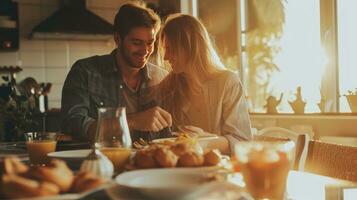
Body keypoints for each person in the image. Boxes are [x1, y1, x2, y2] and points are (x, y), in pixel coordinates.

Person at [61, 2, 172, 143]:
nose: (145, 51)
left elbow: (172, 133)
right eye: (137, 43)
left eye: (150, 43)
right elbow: (72, 124)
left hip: (151, 162)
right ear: (118, 39)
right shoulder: (85, 72)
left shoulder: (162, 78)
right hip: (103, 162)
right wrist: (131, 121)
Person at [158, 14, 252, 154]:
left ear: (190, 46)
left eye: (171, 49)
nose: (165, 57)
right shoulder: (168, 86)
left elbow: (242, 141)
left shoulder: (228, 82)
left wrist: (204, 141)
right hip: (180, 170)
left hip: (220, 171)